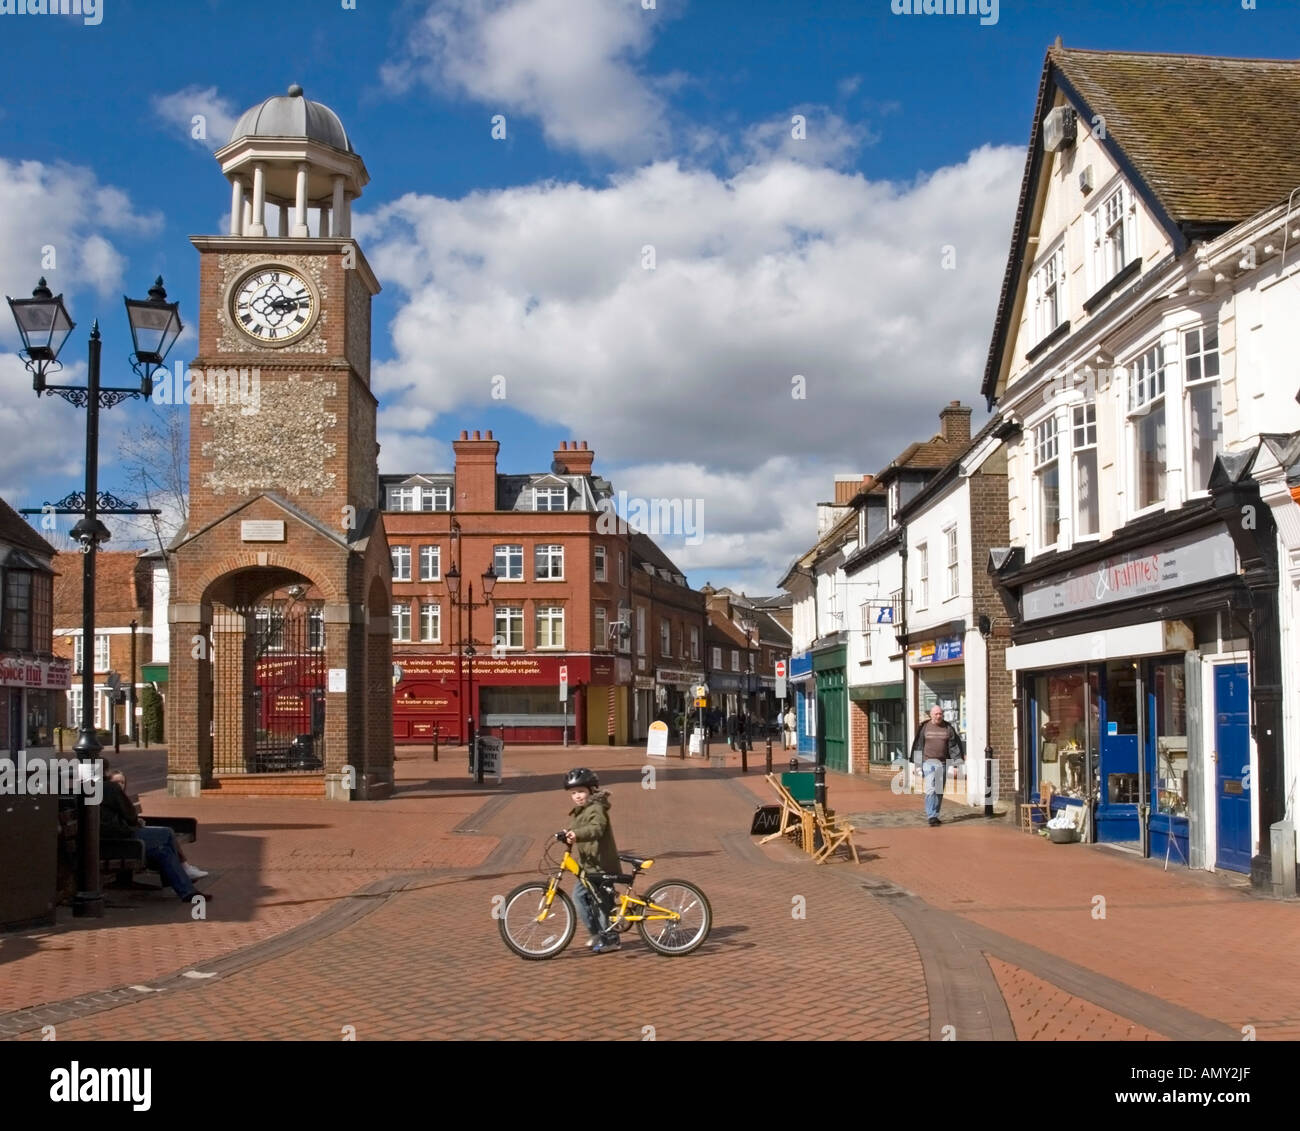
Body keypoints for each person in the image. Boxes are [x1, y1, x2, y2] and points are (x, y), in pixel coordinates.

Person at [99, 763, 208, 901]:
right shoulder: (109, 788)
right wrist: (136, 823)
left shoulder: (86, 789)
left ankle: (187, 892)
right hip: (120, 839)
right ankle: (183, 874)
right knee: (166, 833)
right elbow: (130, 815)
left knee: (163, 851)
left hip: (109, 839)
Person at [561, 767, 622, 953]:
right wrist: (565, 833)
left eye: (581, 791)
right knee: (579, 897)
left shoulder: (597, 808)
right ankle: (596, 933)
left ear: (591, 790)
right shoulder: (581, 810)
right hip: (589, 865)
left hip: (602, 865)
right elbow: (577, 827)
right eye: (573, 793)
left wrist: (576, 834)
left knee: (603, 904)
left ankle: (611, 940)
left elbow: (596, 829)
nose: (577, 796)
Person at [910, 704, 965, 827]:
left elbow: (954, 747)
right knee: (930, 788)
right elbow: (919, 746)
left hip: (943, 763)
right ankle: (931, 816)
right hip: (927, 762)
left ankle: (935, 813)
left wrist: (956, 765)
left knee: (939, 790)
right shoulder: (924, 727)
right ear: (931, 715)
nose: (939, 716)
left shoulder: (948, 728)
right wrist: (917, 765)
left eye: (941, 714)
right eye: (936, 714)